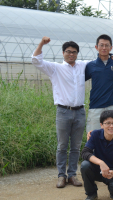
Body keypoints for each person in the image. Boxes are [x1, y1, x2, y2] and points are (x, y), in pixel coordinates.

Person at [30, 36, 88, 188]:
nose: (71, 54)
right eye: (68, 52)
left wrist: (112, 56)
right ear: (63, 53)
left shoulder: (82, 66)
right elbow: (36, 60)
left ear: (77, 54)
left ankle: (73, 175)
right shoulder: (56, 68)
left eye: (74, 52)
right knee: (62, 146)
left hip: (80, 111)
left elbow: (99, 61)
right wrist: (42, 43)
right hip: (63, 112)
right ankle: (61, 176)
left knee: (76, 146)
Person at [80, 110, 113, 200]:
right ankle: (91, 194)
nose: (111, 126)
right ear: (101, 125)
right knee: (85, 165)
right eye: (108, 123)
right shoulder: (95, 135)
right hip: (98, 169)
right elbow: (85, 152)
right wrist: (101, 163)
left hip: (112, 171)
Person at [84, 34, 113, 133]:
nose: (104, 48)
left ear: (111, 48)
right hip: (96, 107)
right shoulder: (90, 66)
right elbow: (78, 80)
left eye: (107, 45)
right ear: (96, 47)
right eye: (101, 45)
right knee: (93, 137)